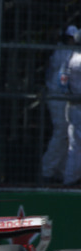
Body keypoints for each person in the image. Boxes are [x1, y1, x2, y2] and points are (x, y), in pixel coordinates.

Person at [42, 25, 78, 183]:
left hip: (64, 98)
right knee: (61, 132)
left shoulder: (67, 51)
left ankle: (60, 171)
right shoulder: (62, 52)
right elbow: (64, 77)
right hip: (58, 97)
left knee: (68, 134)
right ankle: (47, 170)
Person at [63, 29, 81, 186]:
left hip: (73, 105)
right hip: (78, 106)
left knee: (74, 145)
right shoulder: (78, 59)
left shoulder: (70, 56)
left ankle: (71, 178)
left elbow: (61, 82)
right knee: (75, 145)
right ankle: (71, 178)